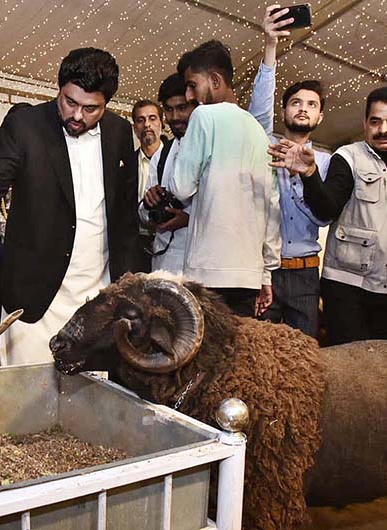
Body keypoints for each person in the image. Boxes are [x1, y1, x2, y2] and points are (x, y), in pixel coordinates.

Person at [0, 47, 139, 366]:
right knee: (28, 397)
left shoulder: (119, 133)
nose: (77, 116)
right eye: (70, 102)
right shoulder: (26, 126)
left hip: (98, 292)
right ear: (58, 89)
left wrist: (129, 285)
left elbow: (125, 217)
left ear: (107, 103)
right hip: (34, 290)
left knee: (90, 398)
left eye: (91, 109)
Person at [270, 86, 387, 345]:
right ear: (364, 124)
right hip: (348, 292)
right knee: (351, 373)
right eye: (375, 121)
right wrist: (310, 175)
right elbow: (327, 208)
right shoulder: (348, 157)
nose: (383, 129)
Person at [169, 40, 281, 318]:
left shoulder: (204, 116)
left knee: (206, 359)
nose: (189, 94)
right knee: (236, 357)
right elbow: (272, 208)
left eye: (192, 84)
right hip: (248, 275)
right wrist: (266, 274)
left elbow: (180, 187)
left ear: (216, 80)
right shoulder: (259, 132)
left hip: (207, 273)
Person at [247, 4, 331, 337]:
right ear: (284, 110)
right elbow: (259, 109)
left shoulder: (325, 162)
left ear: (320, 117)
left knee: (304, 356)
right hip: (263, 269)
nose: (303, 108)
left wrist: (304, 175)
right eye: (296, 102)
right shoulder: (265, 144)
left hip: (305, 272)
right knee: (259, 353)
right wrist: (270, 48)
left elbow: (324, 217)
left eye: (312, 104)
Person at [139, 73, 197, 274]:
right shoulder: (161, 155)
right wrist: (149, 203)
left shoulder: (211, 150)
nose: (175, 117)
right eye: (169, 110)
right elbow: (144, 216)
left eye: (182, 108)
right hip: (163, 264)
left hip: (198, 266)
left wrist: (189, 218)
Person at [132, 99, 165, 271]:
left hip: (170, 241)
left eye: (152, 118)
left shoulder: (176, 159)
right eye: (140, 120)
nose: (147, 124)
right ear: (135, 128)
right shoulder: (125, 163)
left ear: (161, 122)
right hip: (136, 245)